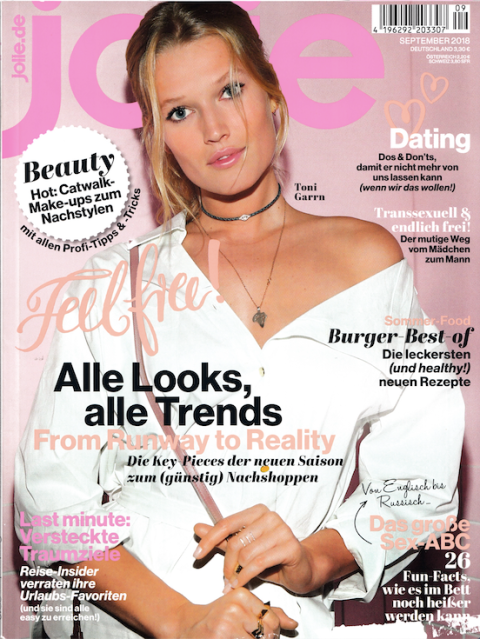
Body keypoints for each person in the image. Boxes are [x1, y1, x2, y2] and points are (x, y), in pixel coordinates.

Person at [15, 3, 464, 638]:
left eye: (229, 90)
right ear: (157, 136)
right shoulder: (114, 282)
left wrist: (313, 561)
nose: (215, 129)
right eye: (179, 111)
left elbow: (419, 482)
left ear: (271, 92)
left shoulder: (369, 262)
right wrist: (182, 621)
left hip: (287, 620)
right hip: (136, 620)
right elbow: (53, 505)